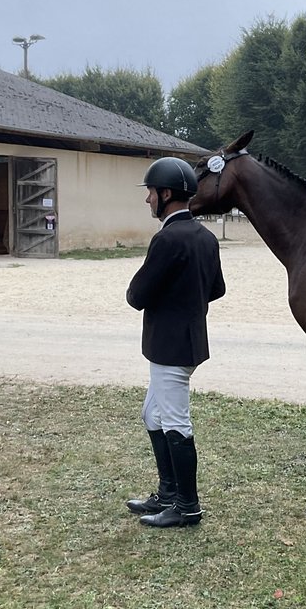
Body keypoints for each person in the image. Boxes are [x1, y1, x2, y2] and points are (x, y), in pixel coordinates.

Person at [124, 156, 226, 528]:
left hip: (170, 346)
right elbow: (217, 288)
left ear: (166, 193)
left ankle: (187, 506)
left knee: (177, 424)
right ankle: (168, 493)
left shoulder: (166, 238)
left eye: (151, 192)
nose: (148, 199)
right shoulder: (206, 237)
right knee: (152, 414)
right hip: (189, 341)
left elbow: (137, 295)